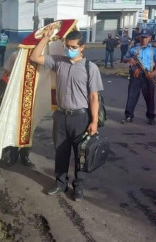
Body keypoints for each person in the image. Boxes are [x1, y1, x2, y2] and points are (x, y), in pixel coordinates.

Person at [30, 29, 104, 201]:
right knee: (61, 152)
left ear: (82, 47)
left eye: (73, 47)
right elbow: (35, 57)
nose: (69, 49)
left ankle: (78, 187)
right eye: (67, 46)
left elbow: (94, 97)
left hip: (80, 118)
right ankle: (60, 183)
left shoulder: (90, 68)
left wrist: (94, 121)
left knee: (81, 154)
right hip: (61, 116)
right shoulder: (58, 62)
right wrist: (46, 38)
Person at [121, 29, 156, 125]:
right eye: (142, 37)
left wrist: (154, 73)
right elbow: (124, 58)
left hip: (149, 76)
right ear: (139, 37)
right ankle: (128, 116)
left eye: (146, 37)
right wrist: (129, 59)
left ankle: (151, 117)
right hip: (136, 75)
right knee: (132, 96)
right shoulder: (133, 49)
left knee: (150, 97)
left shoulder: (153, 50)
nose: (144, 39)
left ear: (150, 38)